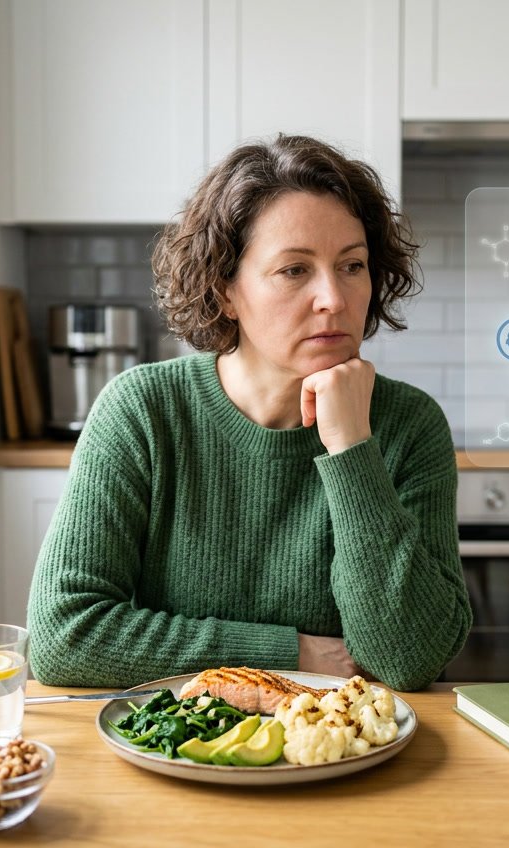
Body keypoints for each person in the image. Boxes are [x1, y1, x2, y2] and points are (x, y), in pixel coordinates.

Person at [27, 135, 472, 691]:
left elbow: (410, 660)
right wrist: (290, 653)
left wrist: (353, 448)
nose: (334, 298)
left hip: (346, 760)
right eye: (294, 270)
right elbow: (62, 638)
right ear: (225, 291)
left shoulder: (408, 425)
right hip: (180, 754)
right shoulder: (142, 411)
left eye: (352, 265)